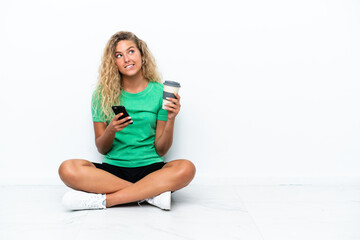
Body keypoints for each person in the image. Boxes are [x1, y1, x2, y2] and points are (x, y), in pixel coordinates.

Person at [58, 31, 196, 211]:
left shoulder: (160, 92)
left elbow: (161, 149)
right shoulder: (101, 95)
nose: (126, 59)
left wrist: (170, 119)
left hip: (151, 170)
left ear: (141, 54)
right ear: (113, 62)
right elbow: (102, 148)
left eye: (131, 51)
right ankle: (150, 195)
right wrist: (111, 130)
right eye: (119, 55)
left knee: (187, 168)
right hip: (113, 171)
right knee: (67, 169)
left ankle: (106, 201)